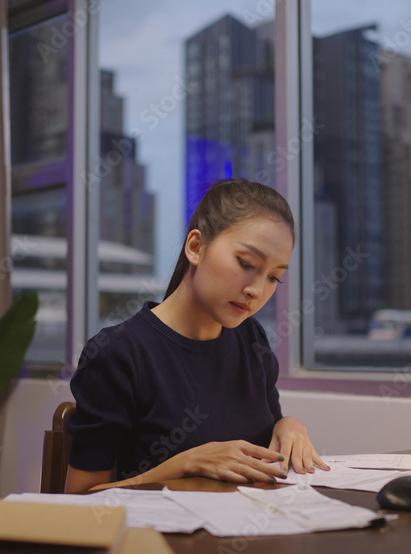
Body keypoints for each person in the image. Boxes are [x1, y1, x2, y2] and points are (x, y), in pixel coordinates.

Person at [64, 178, 329, 493]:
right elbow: (80, 497)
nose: (256, 291)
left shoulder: (250, 339)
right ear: (196, 247)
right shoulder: (118, 355)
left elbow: (267, 438)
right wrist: (184, 465)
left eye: (274, 278)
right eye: (246, 263)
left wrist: (288, 426)